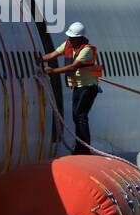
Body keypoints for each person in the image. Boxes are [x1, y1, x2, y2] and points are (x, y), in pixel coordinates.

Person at [41, 21, 103, 155]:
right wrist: (38, 60)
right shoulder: (68, 44)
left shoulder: (87, 50)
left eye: (72, 37)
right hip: (78, 86)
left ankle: (85, 148)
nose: (70, 39)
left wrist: (53, 71)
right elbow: (52, 55)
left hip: (88, 87)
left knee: (80, 116)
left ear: (80, 38)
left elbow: (73, 67)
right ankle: (81, 146)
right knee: (76, 116)